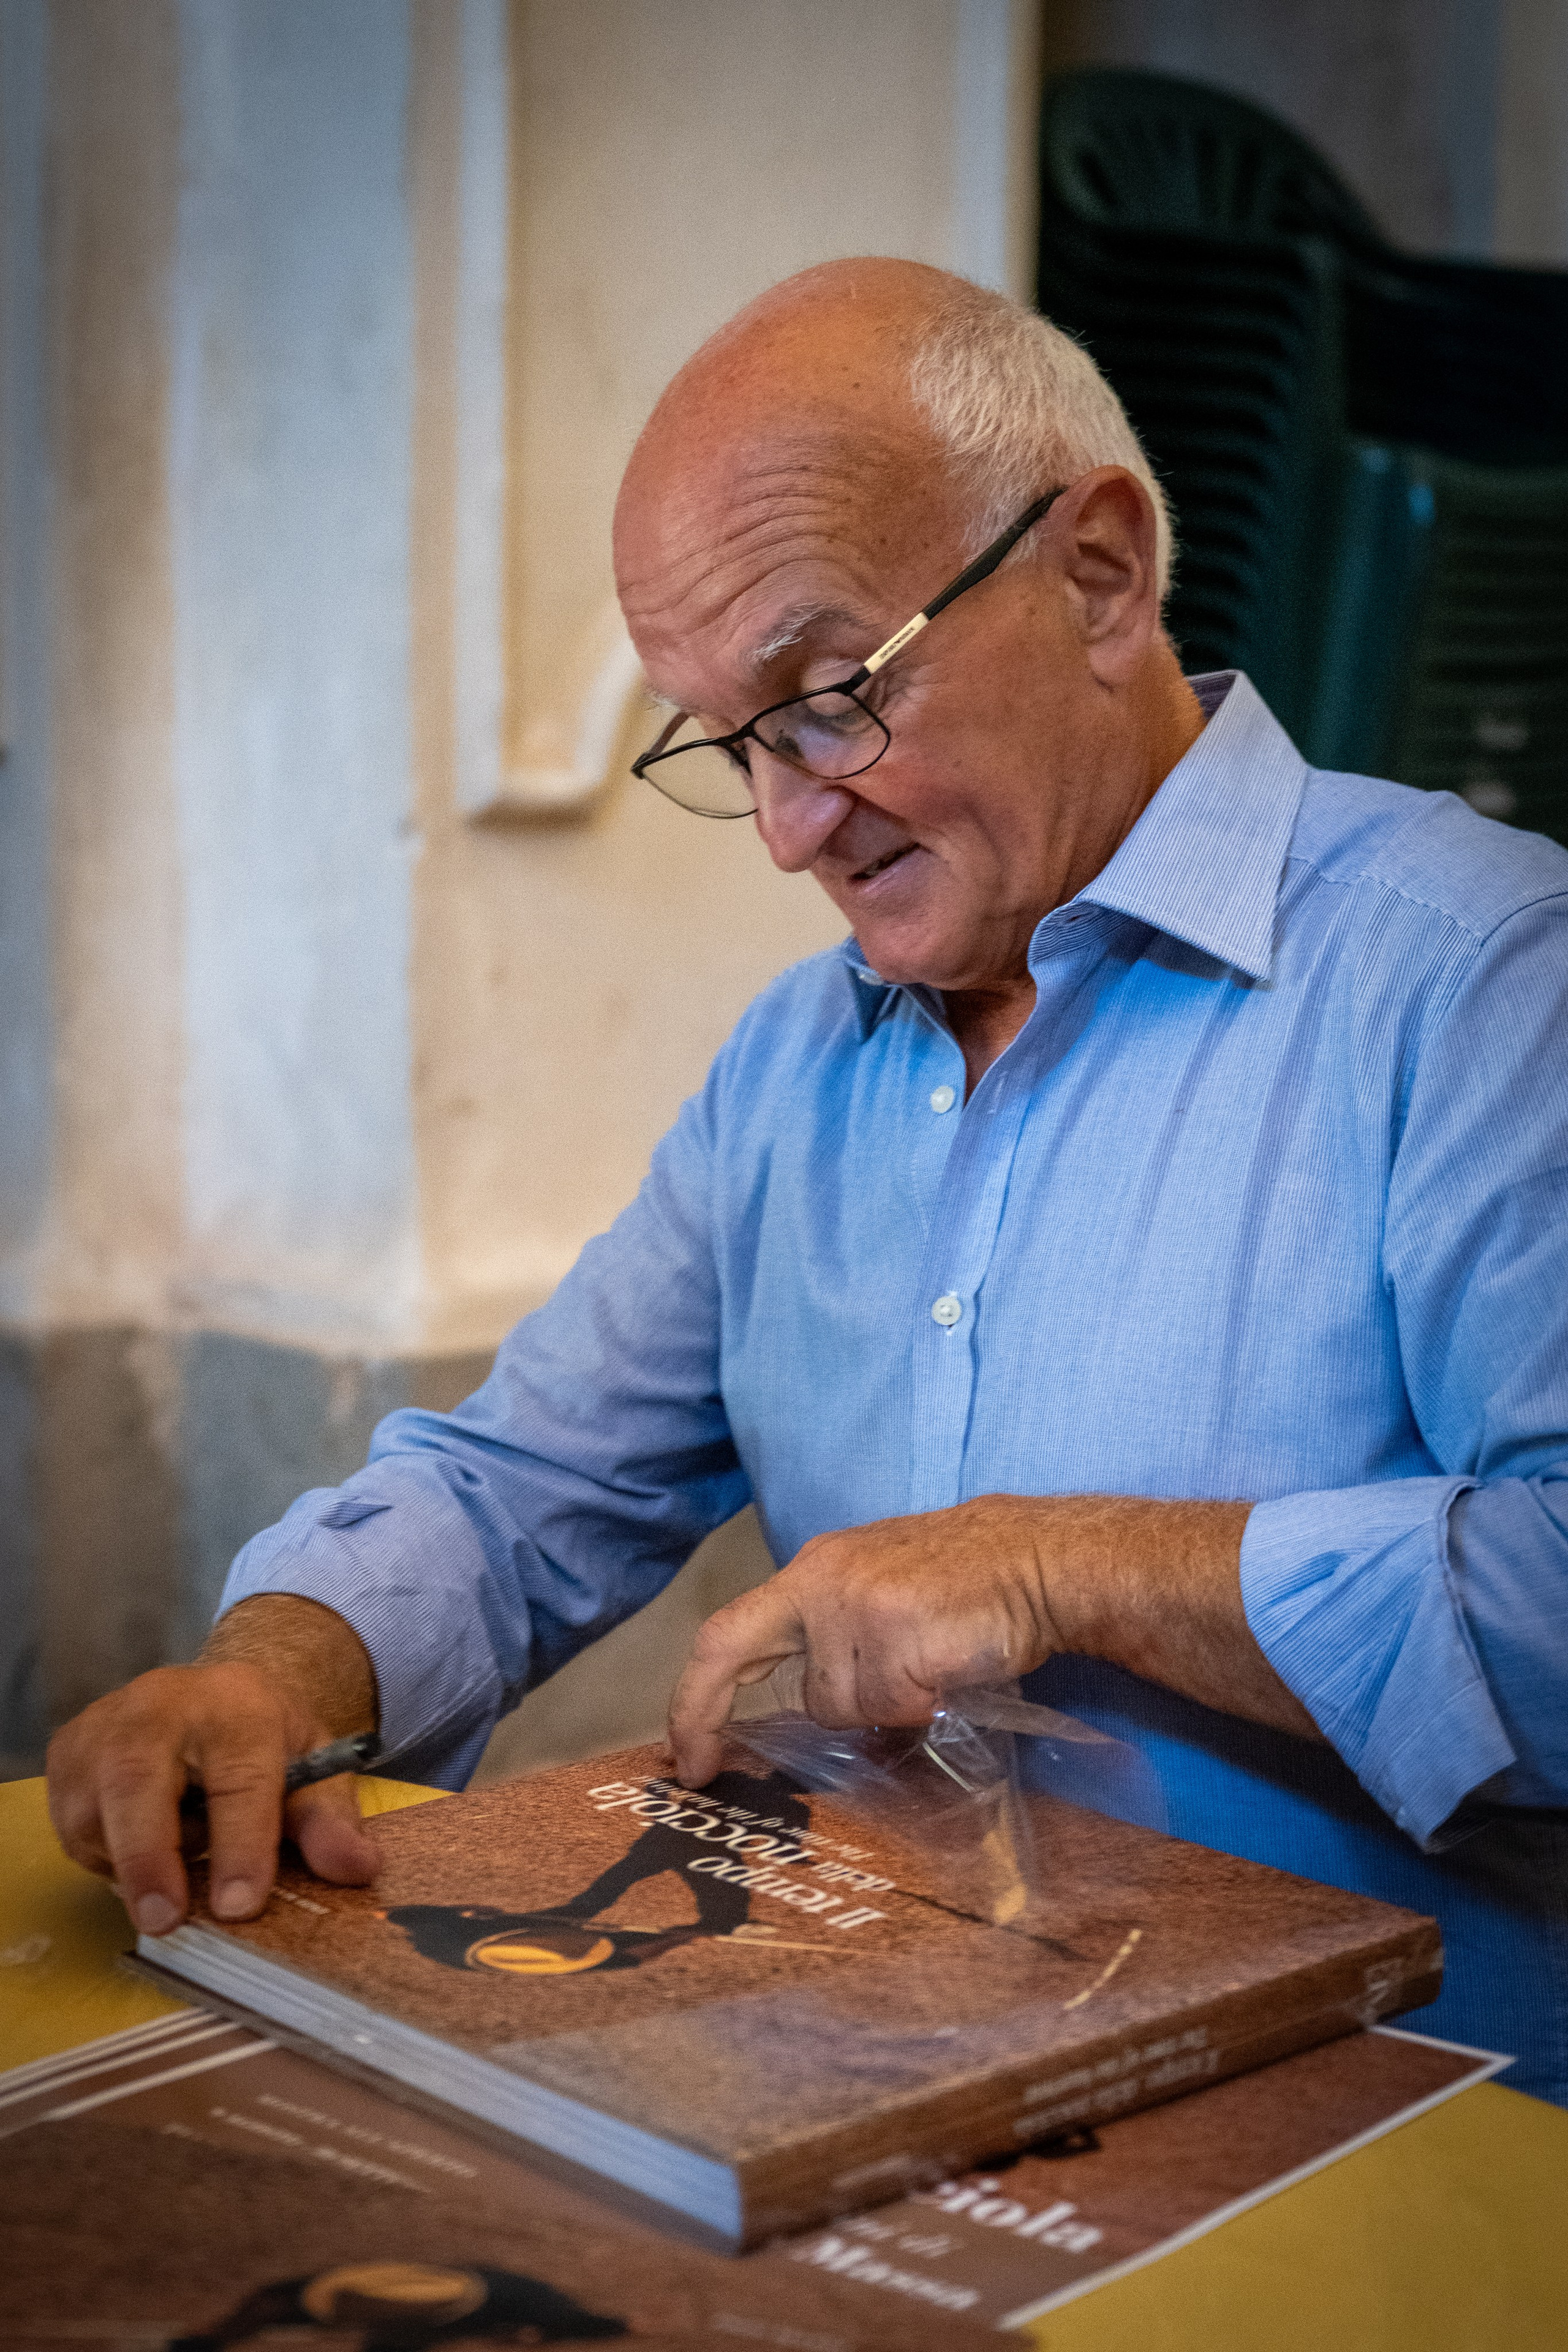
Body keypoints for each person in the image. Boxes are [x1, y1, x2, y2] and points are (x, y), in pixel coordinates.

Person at [47, 261, 1568, 2100]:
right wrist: (284, 1669)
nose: (785, 829)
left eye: (828, 696)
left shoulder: (1478, 979)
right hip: (894, 2078)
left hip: (1389, 2134)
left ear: (1099, 573)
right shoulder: (800, 1060)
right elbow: (532, 1480)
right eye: (728, 741)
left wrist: (1064, 1563)